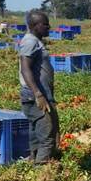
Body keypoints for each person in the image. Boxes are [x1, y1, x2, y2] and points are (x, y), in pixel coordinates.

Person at [18, 10, 59, 163]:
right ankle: (41, 173)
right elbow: (25, 68)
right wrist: (38, 94)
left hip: (38, 93)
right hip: (36, 95)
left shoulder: (34, 41)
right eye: (45, 24)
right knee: (47, 137)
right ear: (35, 26)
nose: (49, 27)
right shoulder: (31, 42)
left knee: (36, 132)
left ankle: (33, 160)